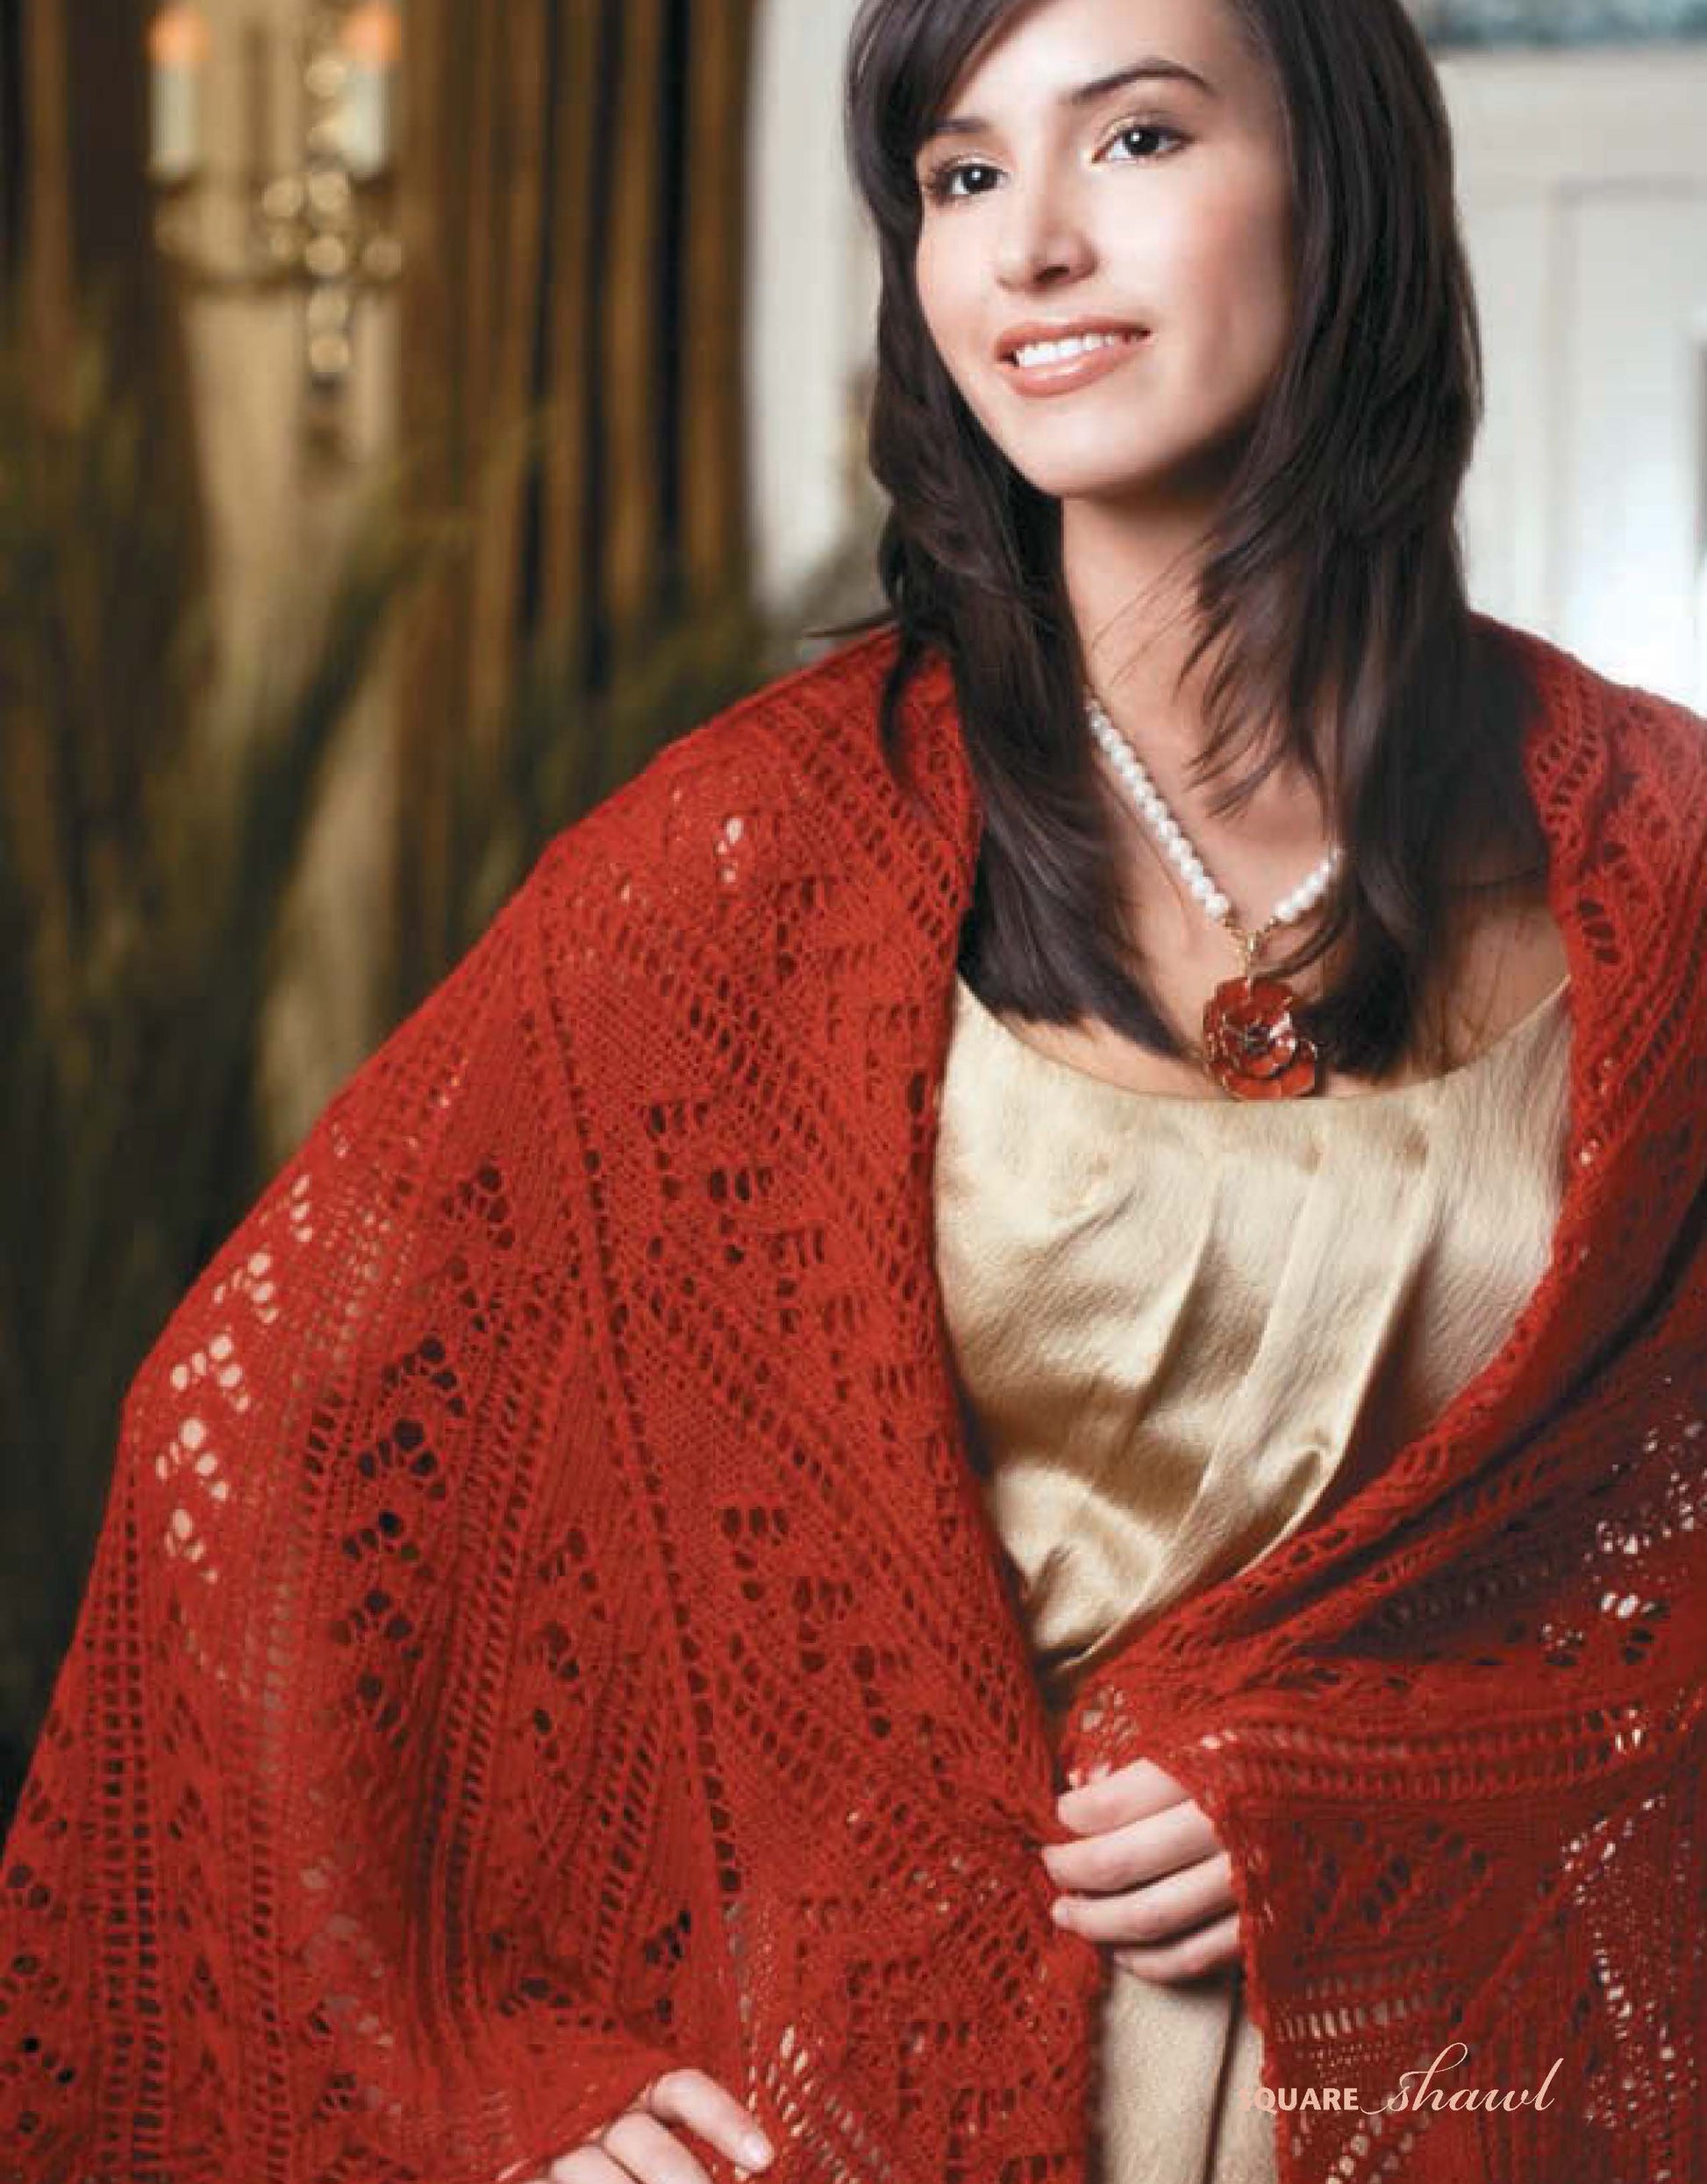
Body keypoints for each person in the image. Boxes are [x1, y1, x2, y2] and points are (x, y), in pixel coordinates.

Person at [3, 1, 1703, 2180]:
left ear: (1344, 183)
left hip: (1491, 2105)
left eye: (1137, 139)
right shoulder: (748, 871)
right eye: (962, 174)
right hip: (893, 2116)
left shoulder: (1654, 866)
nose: (1033, 243)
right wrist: (491, 2104)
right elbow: (248, 1484)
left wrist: (1410, 1769)